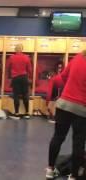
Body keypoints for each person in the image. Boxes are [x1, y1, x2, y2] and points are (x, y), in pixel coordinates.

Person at [46, 51, 86, 180]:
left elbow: (62, 77)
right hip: (82, 108)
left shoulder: (77, 58)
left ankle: (50, 170)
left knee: (58, 137)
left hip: (64, 104)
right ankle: (73, 176)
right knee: (78, 143)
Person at [8, 44, 32, 120]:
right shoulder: (26, 57)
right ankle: (27, 113)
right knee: (25, 94)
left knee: (16, 95)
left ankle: (17, 113)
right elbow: (29, 69)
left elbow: (8, 68)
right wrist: (29, 77)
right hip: (24, 77)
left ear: (15, 50)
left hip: (15, 78)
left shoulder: (11, 57)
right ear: (22, 49)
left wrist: (9, 77)